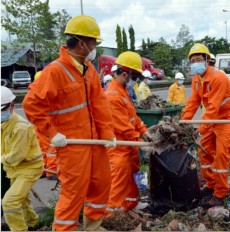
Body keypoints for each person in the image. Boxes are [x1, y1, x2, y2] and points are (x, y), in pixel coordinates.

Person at [22, 15, 117, 231]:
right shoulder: (55, 71)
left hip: (95, 142)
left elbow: (99, 104)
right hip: (72, 145)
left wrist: (107, 133)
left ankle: (93, 225)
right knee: (74, 191)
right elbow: (31, 104)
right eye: (93, 42)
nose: (95, 47)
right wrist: (51, 133)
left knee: (101, 184)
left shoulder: (89, 69)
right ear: (81, 42)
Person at [181, 43, 230, 207]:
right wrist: (184, 122)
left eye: (198, 59)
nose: (195, 63)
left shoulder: (218, 77)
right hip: (212, 119)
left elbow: (213, 107)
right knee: (204, 151)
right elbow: (193, 102)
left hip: (226, 118)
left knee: (221, 154)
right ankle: (210, 183)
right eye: (192, 60)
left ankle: (221, 192)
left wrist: (199, 130)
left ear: (207, 60)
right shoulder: (196, 79)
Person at [104, 51, 151, 215]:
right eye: (134, 78)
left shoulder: (123, 91)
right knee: (119, 181)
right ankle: (112, 214)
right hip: (119, 148)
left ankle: (132, 203)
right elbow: (124, 127)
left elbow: (133, 118)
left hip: (130, 146)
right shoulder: (112, 96)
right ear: (125, 75)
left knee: (135, 174)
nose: (135, 82)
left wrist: (146, 133)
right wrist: (142, 142)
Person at [1, 86, 44, 231]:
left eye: (2, 109)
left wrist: (2, 159)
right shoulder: (4, 123)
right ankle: (33, 223)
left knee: (10, 202)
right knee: (22, 198)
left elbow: (16, 156)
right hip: (15, 169)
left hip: (29, 168)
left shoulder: (20, 127)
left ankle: (19, 229)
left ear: (12, 106)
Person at [32, 70, 58, 180]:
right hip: (46, 124)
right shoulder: (45, 93)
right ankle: (51, 171)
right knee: (51, 147)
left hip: (38, 125)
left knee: (41, 148)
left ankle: (42, 170)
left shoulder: (34, 92)